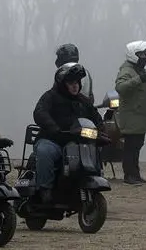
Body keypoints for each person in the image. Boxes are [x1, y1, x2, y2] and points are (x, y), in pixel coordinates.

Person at [33, 63, 105, 203]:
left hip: (76, 142)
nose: (75, 86)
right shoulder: (50, 96)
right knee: (44, 151)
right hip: (52, 140)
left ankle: (87, 182)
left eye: (77, 82)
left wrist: (102, 132)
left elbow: (96, 118)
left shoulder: (83, 101)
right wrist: (54, 128)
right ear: (62, 83)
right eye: (71, 82)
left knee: (92, 151)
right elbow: (39, 113)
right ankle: (45, 189)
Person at [115, 40, 146, 185]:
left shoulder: (141, 69)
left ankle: (136, 174)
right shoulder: (127, 70)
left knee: (137, 146)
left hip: (141, 116)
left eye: (145, 54)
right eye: (141, 54)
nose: (144, 57)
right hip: (131, 116)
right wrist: (139, 79)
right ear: (133, 55)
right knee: (130, 147)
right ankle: (129, 175)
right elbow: (120, 87)